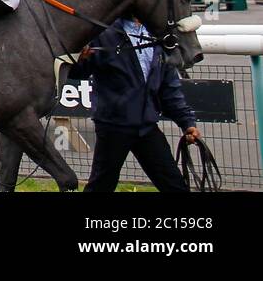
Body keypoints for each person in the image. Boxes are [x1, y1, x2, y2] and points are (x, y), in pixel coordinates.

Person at [72, 17, 200, 192]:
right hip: (113, 127)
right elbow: (79, 71)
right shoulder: (102, 32)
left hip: (147, 127)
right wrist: (78, 57)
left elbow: (169, 88)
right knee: (101, 185)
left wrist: (187, 123)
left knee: (175, 185)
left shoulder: (158, 35)